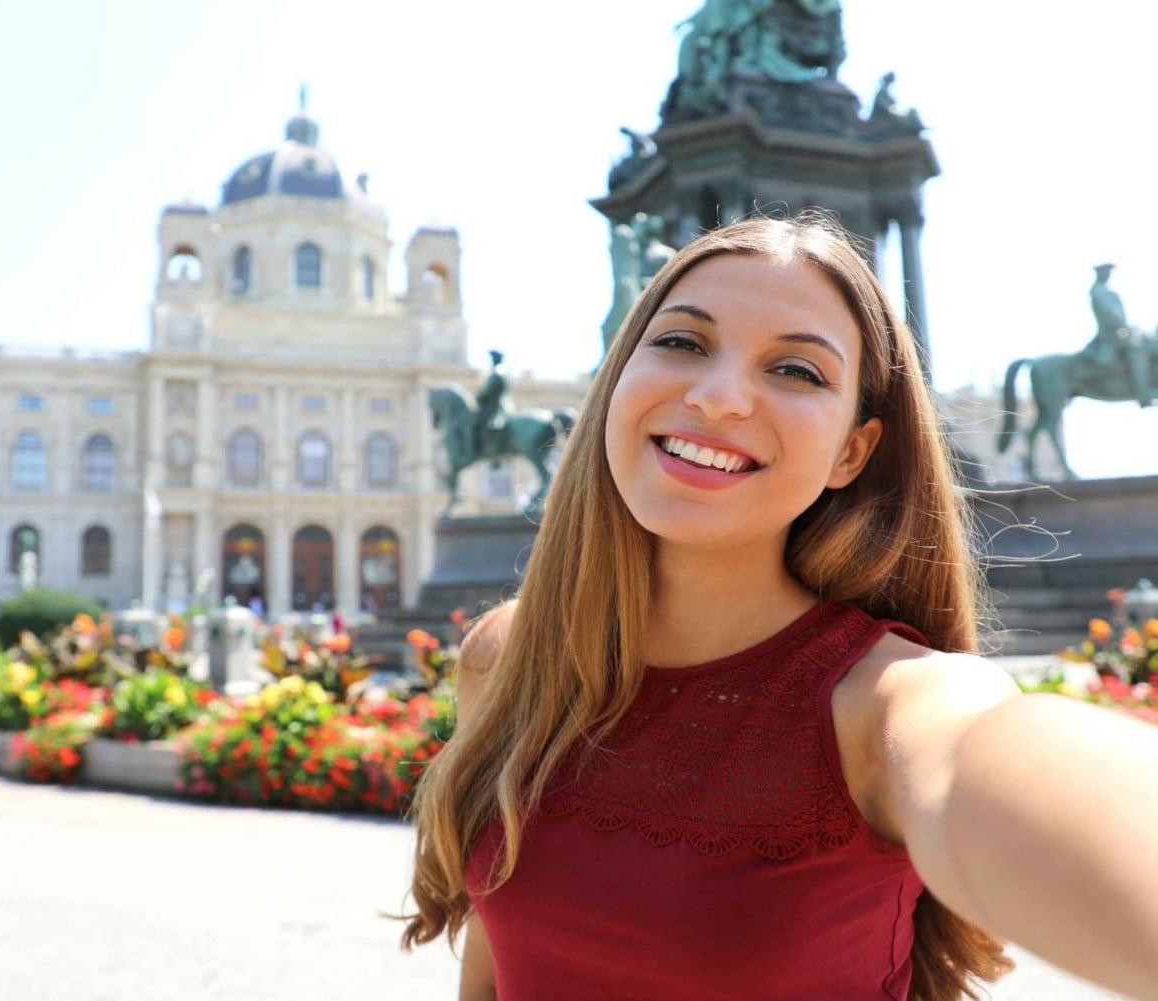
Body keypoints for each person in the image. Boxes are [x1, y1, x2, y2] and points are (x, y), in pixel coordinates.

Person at [401, 216, 1158, 1000]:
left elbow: (990, 759)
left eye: (795, 369)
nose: (719, 396)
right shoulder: (506, 657)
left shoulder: (892, 705)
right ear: (616, 380)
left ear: (851, 452)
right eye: (683, 343)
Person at [1084, 262, 1152, 407]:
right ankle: (1143, 392)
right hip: (1110, 335)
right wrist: (1123, 326)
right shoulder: (1098, 291)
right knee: (1137, 350)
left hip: (1120, 331)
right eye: (1106, 273)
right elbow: (1110, 315)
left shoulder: (1106, 291)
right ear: (1100, 274)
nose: (1108, 275)